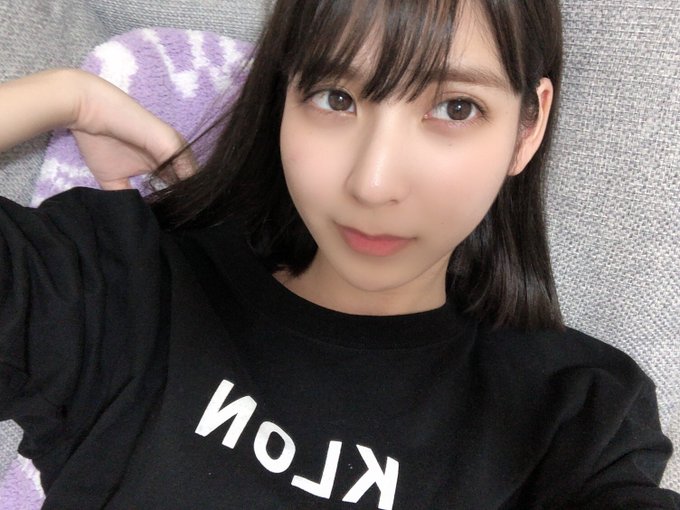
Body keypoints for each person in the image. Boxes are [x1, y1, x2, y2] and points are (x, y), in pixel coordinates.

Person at [0, 0, 678, 508]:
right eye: (336, 97)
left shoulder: (570, 416)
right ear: (284, 98)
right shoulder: (124, 284)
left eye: (455, 108)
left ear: (527, 128)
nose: (372, 183)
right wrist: (65, 96)